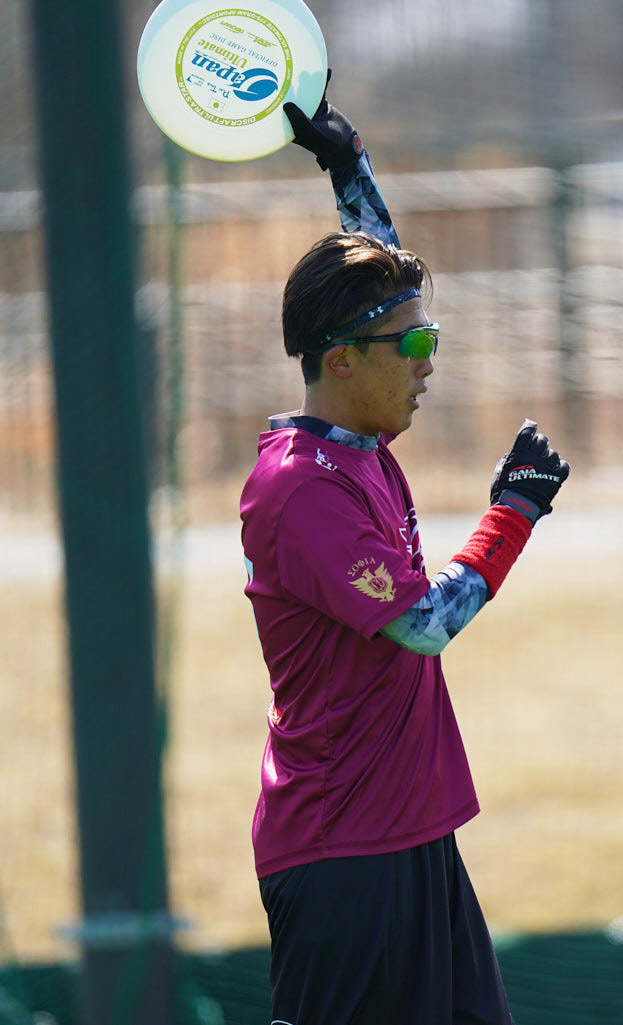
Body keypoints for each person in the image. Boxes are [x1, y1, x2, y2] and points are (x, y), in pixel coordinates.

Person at [238, 83, 571, 1025]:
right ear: (342, 359)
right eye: (414, 342)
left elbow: (377, 279)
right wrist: (511, 517)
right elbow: (422, 625)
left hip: (410, 838)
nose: (428, 359)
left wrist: (347, 164)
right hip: (343, 861)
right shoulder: (301, 489)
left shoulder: (355, 444)